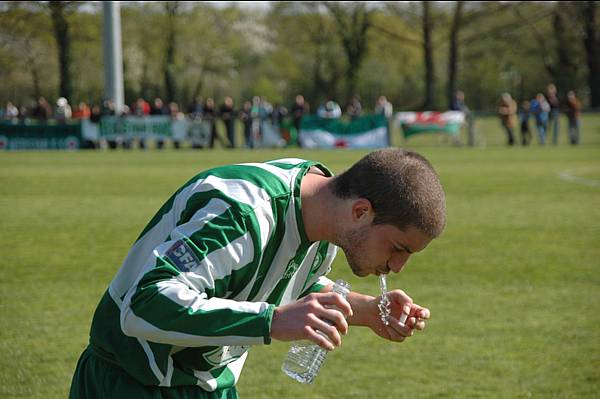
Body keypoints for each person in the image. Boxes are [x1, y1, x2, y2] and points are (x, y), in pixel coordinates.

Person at [69, 148, 446, 399]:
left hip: (209, 387)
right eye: (398, 248)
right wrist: (272, 321)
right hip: (131, 382)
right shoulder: (241, 214)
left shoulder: (331, 215)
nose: (398, 267)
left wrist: (365, 310)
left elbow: (287, 277)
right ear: (361, 212)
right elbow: (144, 303)